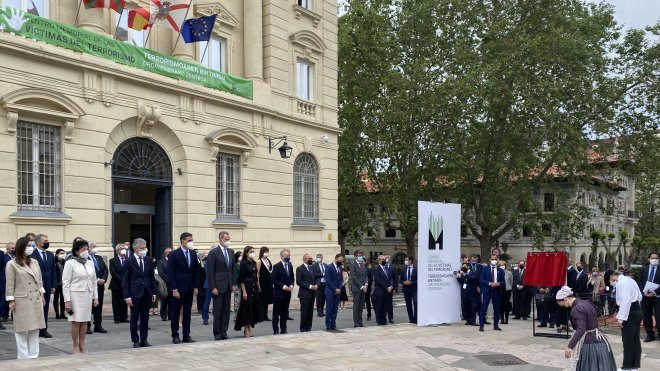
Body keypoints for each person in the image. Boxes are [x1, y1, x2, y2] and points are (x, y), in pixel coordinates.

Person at [555, 286, 616, 371]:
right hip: (598, 339)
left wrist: (570, 346)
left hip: (588, 343)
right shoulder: (587, 303)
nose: (565, 306)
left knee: (589, 367)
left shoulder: (577, 308)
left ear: (565, 299)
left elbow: (581, 329)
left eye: (563, 304)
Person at [5, 237, 46, 359]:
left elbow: (39, 280)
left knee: (35, 329)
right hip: (21, 300)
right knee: (22, 330)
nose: (31, 248)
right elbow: (10, 284)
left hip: (36, 298)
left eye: (32, 245)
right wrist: (11, 300)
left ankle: (34, 355)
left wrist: (41, 294)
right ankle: (23, 357)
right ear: (21, 247)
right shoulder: (12, 264)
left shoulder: (34, 262)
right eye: (28, 245)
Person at [63, 239, 99, 354]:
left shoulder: (90, 262)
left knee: (85, 321)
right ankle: (75, 346)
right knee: (76, 321)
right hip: (75, 295)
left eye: (87, 249)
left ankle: (82, 344)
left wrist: (95, 297)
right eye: (83, 249)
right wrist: (67, 301)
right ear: (77, 251)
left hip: (87, 295)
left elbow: (94, 281)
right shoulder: (70, 263)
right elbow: (66, 283)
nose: (86, 251)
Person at [123, 238, 157, 348]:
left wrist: (154, 292)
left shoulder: (147, 260)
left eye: (145, 247)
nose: (145, 250)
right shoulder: (129, 261)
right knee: (134, 318)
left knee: (145, 318)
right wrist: (127, 296)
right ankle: (135, 340)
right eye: (142, 248)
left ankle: (144, 339)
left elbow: (151, 278)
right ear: (136, 249)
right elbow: (125, 280)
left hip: (147, 293)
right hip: (134, 294)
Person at [168, 232, 201, 344]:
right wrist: (174, 289)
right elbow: (170, 273)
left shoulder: (193, 254)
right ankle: (175, 335)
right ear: (182, 241)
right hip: (178, 289)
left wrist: (196, 286)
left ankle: (186, 335)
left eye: (192, 240)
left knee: (187, 313)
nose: (191, 242)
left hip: (189, 288)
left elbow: (196, 271)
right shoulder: (174, 254)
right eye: (189, 240)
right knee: (175, 313)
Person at [610, 270, 643, 370]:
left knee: (628, 341)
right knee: (635, 340)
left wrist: (620, 319)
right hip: (637, 310)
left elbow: (625, 301)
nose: (611, 282)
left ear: (612, 276)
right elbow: (639, 296)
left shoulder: (621, 283)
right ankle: (634, 366)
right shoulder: (630, 280)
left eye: (610, 279)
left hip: (630, 313)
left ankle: (627, 367)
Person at [206, 231, 234, 341]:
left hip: (227, 285)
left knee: (226, 310)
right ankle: (217, 333)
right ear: (220, 239)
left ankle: (224, 331)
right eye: (226, 239)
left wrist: (231, 284)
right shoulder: (213, 252)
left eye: (229, 239)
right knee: (218, 311)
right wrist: (213, 287)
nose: (228, 241)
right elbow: (210, 271)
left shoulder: (231, 252)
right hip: (217, 286)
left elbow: (231, 270)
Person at [32, 234, 56, 338]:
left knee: (45, 308)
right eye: (45, 241)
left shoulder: (50, 254)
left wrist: (53, 285)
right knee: (35, 308)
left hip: (47, 286)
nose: (47, 242)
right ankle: (34, 329)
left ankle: (43, 329)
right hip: (35, 286)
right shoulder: (32, 254)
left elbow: (53, 271)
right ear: (38, 242)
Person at [234, 246, 260, 337]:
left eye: (253, 251)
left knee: (252, 308)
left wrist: (258, 286)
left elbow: (255, 276)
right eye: (251, 251)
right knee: (246, 308)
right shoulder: (243, 263)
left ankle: (250, 327)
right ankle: (246, 328)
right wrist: (244, 291)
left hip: (254, 286)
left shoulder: (254, 262)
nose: (253, 253)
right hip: (247, 287)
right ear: (246, 253)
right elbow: (241, 279)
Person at [637, 252, 659, 343]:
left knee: (658, 315)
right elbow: (639, 281)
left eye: (656, 258)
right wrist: (643, 292)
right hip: (645, 297)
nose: (654, 260)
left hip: (657, 296)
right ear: (648, 259)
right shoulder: (643, 269)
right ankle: (650, 335)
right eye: (652, 258)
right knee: (646, 316)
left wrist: (655, 292)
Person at [271, 249, 294, 334]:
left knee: (284, 313)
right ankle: (276, 330)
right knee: (276, 313)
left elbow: (292, 278)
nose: (288, 257)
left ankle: (283, 329)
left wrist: (291, 285)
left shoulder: (290, 265)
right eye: (286, 256)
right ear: (282, 256)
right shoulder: (277, 266)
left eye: (289, 256)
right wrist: (283, 287)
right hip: (278, 293)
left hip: (287, 293)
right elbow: (273, 279)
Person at [479, 254, 504, 332]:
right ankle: (481, 325)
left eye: (495, 259)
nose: (494, 261)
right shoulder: (485, 269)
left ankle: (496, 325)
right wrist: (490, 283)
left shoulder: (500, 270)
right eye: (493, 259)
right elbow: (481, 280)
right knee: (484, 308)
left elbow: (503, 282)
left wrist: (498, 284)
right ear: (490, 260)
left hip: (496, 291)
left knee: (496, 309)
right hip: (487, 291)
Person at [88, 242, 108, 334]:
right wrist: (96, 280)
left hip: (100, 286)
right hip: (90, 286)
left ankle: (98, 325)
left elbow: (105, 269)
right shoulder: (85, 258)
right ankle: (87, 326)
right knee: (88, 307)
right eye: (93, 247)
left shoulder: (98, 257)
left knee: (98, 306)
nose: (95, 248)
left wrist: (103, 279)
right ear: (88, 248)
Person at [296, 253, 317, 332]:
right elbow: (299, 281)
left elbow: (316, 277)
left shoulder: (312, 268)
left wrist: (316, 285)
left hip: (312, 293)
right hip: (304, 294)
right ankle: (303, 327)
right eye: (309, 258)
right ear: (304, 259)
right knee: (304, 311)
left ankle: (309, 327)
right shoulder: (300, 269)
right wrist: (310, 286)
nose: (311, 260)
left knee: (310, 311)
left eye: (311, 258)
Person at [109, 244, 129, 323]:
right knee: (116, 302)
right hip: (116, 284)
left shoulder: (128, 259)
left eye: (124, 248)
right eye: (122, 249)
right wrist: (122, 281)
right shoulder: (113, 260)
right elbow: (113, 272)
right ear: (117, 251)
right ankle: (116, 318)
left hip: (126, 285)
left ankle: (124, 317)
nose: (124, 250)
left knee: (125, 301)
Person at [324, 254, 344, 330]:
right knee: (329, 309)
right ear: (336, 259)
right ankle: (328, 325)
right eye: (340, 260)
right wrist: (335, 289)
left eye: (342, 261)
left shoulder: (340, 268)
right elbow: (328, 280)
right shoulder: (329, 267)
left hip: (338, 292)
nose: (341, 262)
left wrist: (339, 288)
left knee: (335, 309)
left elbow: (341, 279)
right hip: (330, 291)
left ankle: (333, 324)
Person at [350, 250, 368, 327]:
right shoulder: (353, 264)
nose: (360, 257)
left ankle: (360, 322)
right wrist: (361, 286)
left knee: (361, 306)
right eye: (359, 255)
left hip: (364, 288)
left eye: (361, 255)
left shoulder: (363, 264)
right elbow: (354, 277)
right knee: (356, 306)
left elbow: (365, 276)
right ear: (355, 257)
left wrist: (366, 284)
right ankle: (356, 322)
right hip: (357, 288)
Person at [372, 255, 392, 326]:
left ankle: (384, 320)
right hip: (380, 291)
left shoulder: (387, 268)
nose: (384, 260)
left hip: (387, 291)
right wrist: (386, 288)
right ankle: (379, 321)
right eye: (382, 259)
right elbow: (378, 280)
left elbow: (390, 278)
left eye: (385, 259)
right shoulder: (376, 268)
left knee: (385, 307)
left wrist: (390, 286)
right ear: (379, 260)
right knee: (379, 307)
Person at [256, 246, 273, 322]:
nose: (266, 253)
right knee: (261, 299)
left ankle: (265, 315)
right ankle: (260, 316)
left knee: (267, 299)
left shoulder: (268, 260)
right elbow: (257, 273)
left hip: (268, 282)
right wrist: (258, 283)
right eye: (265, 251)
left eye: (267, 251)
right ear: (261, 252)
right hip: (262, 281)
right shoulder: (259, 261)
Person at [0, 242, 14, 327]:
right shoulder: (4, 257)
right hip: (4, 281)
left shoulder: (17, 257)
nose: (14, 250)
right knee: (3, 300)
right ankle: (4, 315)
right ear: (7, 249)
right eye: (12, 248)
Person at [400, 255, 417, 324]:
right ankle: (411, 319)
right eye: (405, 260)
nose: (405, 261)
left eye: (406, 260)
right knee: (408, 304)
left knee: (416, 302)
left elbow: (419, 279)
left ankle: (416, 318)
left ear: (410, 261)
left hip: (414, 289)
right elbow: (400, 279)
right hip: (406, 289)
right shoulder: (404, 269)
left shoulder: (416, 268)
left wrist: (411, 282)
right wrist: (404, 282)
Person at [157, 247, 171, 321]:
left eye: (171, 252)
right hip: (165, 285)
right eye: (169, 252)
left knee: (172, 301)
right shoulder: (161, 262)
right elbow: (161, 274)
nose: (170, 253)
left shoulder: (173, 261)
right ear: (165, 254)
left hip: (172, 285)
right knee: (164, 301)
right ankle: (164, 315)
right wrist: (170, 281)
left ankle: (171, 315)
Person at [53, 249, 66, 320]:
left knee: (63, 299)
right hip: (57, 283)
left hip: (63, 283)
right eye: (61, 253)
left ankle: (62, 313)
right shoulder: (54, 262)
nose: (62, 255)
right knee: (56, 298)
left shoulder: (65, 262)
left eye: (63, 253)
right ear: (57, 254)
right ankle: (57, 314)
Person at [384, 254, 397, 323]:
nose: (386, 259)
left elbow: (395, 278)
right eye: (385, 257)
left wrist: (394, 288)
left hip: (391, 288)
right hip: (383, 288)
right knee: (383, 303)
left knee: (389, 303)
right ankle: (384, 317)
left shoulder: (393, 267)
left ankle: (390, 317)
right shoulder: (382, 266)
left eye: (387, 257)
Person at [499, 260, 512, 325]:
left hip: (507, 290)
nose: (502, 266)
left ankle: (506, 318)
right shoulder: (498, 272)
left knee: (506, 304)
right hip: (500, 290)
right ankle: (502, 318)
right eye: (501, 265)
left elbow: (511, 281)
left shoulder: (509, 272)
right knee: (501, 305)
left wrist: (509, 287)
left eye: (503, 265)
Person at [201, 252, 211, 325]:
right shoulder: (208, 262)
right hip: (209, 284)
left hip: (211, 284)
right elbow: (208, 273)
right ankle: (205, 318)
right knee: (207, 302)